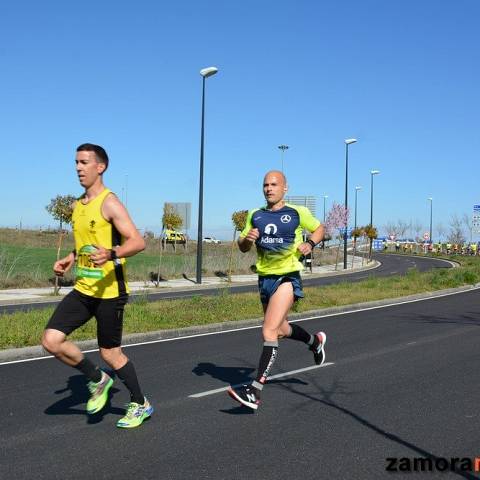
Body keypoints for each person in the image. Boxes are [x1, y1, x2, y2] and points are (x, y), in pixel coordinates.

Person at [42, 143, 153, 428]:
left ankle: (141, 404)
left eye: (84, 162)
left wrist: (111, 253)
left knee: (110, 353)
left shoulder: (110, 202)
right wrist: (69, 258)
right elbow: (84, 244)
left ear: (100, 167)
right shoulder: (77, 206)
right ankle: (98, 379)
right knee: (51, 340)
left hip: (110, 292)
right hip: (83, 290)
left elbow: (138, 242)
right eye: (76, 162)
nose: (78, 168)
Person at [227, 171, 326, 410]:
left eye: (274, 185)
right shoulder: (255, 215)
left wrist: (310, 243)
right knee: (280, 329)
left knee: (268, 330)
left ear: (285, 188)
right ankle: (315, 342)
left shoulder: (296, 212)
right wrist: (247, 239)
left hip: (287, 277)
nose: (269, 189)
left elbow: (320, 228)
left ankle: (255, 390)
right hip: (264, 279)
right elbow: (242, 247)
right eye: (265, 185)